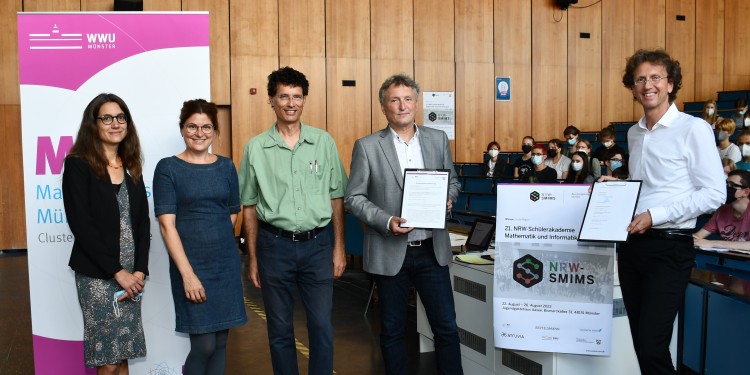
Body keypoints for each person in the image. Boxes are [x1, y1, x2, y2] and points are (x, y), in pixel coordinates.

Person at [344, 74, 463, 375]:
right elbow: (354, 198)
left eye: (408, 99)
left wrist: (447, 199)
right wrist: (386, 220)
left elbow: (453, 182)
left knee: (447, 329)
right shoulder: (368, 146)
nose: (402, 106)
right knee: (393, 331)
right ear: (383, 106)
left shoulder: (437, 139)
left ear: (416, 103)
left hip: (431, 251)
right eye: (394, 100)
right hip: (390, 250)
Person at [619, 49, 725, 375]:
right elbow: (644, 189)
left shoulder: (694, 129)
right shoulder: (633, 133)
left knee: (652, 344)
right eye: (640, 78)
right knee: (641, 343)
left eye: (655, 77)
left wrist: (656, 214)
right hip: (632, 246)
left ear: (670, 84)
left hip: (670, 246)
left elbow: (714, 193)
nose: (647, 84)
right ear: (633, 86)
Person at [238, 66, 348, 375]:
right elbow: (248, 206)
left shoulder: (323, 142)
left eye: (297, 96)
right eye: (283, 96)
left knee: (321, 326)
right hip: (275, 247)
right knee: (280, 329)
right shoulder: (255, 148)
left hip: (318, 246)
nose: (290, 103)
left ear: (304, 100)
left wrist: (339, 248)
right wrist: (254, 258)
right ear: (271, 100)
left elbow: (336, 198)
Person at [153, 99, 247, 375]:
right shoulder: (168, 168)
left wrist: (215, 240)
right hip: (190, 266)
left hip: (225, 266)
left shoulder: (226, 166)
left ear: (215, 131)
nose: (199, 132)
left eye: (206, 127)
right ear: (182, 129)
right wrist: (188, 274)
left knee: (219, 344)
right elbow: (166, 226)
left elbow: (232, 213)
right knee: (203, 345)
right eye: (192, 126)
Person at [62, 93, 149, 374]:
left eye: (121, 117)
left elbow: (143, 223)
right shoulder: (78, 164)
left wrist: (139, 271)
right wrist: (117, 271)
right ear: (94, 124)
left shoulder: (132, 164)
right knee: (109, 363)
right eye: (107, 118)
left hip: (131, 277)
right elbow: (81, 225)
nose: (115, 123)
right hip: (98, 277)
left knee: (123, 355)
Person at [694, 170, 750, 250]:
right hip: (729, 259)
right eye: (726, 184)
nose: (726, 188)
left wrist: (712, 243)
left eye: (732, 185)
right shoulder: (722, 210)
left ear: (745, 192)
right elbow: (699, 236)